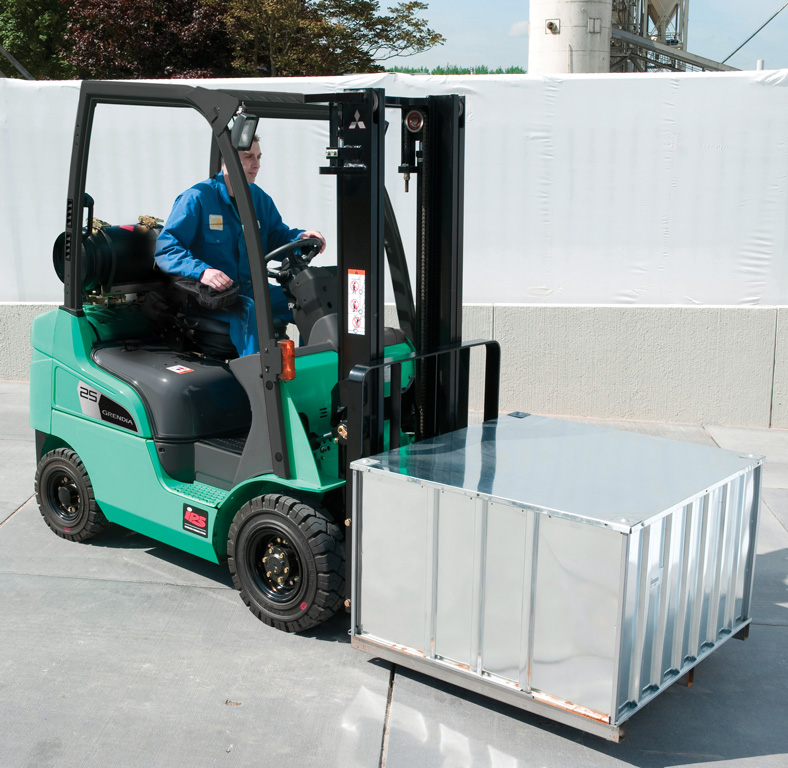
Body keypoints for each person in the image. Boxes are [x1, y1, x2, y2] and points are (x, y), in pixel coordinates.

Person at [154, 136, 325, 356]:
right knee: (248, 310)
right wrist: (203, 272)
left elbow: (276, 236)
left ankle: (313, 367)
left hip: (250, 289)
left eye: (259, 157)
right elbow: (166, 249)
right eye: (249, 157)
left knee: (310, 300)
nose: (257, 164)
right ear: (228, 160)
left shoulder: (259, 199)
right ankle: (260, 376)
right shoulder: (197, 198)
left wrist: (301, 238)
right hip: (209, 297)